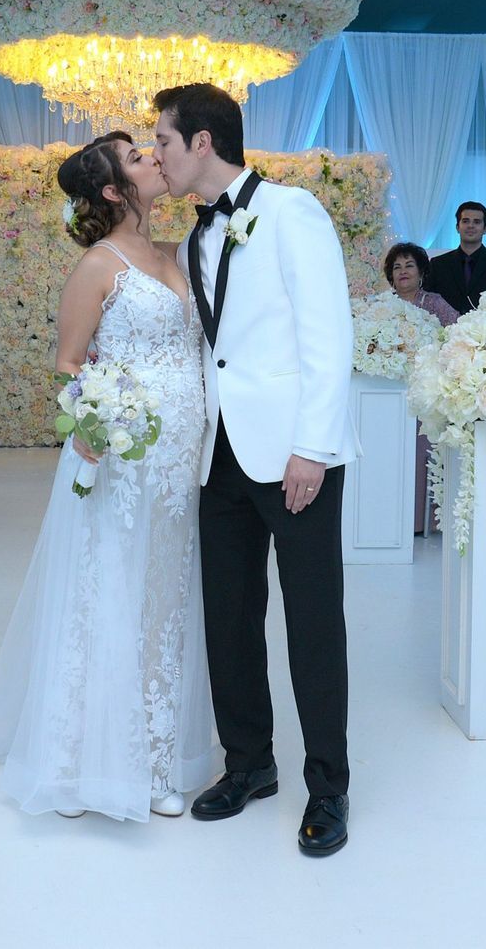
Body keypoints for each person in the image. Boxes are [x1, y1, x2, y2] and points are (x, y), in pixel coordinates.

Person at [0, 132, 214, 823]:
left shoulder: (175, 252)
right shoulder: (99, 264)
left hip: (183, 462)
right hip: (121, 459)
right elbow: (68, 368)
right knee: (112, 597)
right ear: (115, 191)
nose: (153, 156)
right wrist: (96, 422)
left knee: (165, 603)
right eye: (135, 157)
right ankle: (91, 761)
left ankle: (156, 753)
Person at [153, 82, 356, 857]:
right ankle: (249, 764)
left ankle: (329, 788)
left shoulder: (292, 210)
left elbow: (327, 335)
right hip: (223, 456)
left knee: (311, 623)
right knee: (230, 618)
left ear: (202, 142)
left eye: (164, 143)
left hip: (294, 454)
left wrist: (313, 446)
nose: (160, 157)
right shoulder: (199, 237)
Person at [383, 242, 456, 534]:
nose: (402, 272)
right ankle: (389, 520)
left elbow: (457, 332)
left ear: (421, 272)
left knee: (419, 453)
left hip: (424, 394)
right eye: (396, 267)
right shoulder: (381, 306)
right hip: (388, 396)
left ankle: (420, 524)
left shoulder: (434, 303)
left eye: (409, 265)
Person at [424, 200, 486, 314]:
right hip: (443, 329)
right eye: (465, 221)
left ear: (485, 228)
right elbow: (426, 301)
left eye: (476, 222)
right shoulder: (438, 264)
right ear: (457, 227)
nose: (470, 226)